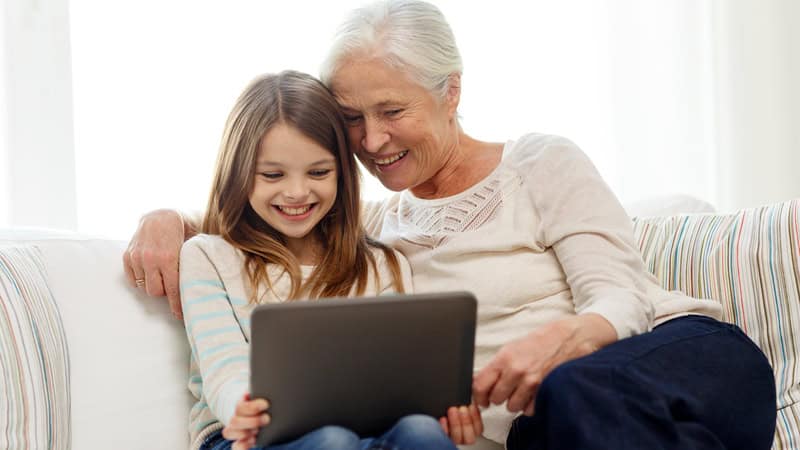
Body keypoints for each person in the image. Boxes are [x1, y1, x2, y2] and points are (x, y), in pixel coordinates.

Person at [124, 2, 777, 449]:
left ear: (451, 93)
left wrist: (567, 338)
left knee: (577, 388)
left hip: (683, 368)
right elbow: (274, 215)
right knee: (553, 419)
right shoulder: (377, 232)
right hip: (557, 429)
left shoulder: (537, 162)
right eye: (351, 117)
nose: (372, 139)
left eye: (391, 109)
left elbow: (622, 294)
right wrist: (168, 220)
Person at [174, 70, 482, 450]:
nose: (297, 192)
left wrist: (442, 409)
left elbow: (395, 375)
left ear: (342, 173)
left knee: (420, 432)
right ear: (239, 174)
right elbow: (223, 366)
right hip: (241, 436)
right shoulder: (208, 257)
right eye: (272, 174)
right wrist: (243, 406)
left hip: (363, 432)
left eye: (319, 172)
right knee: (333, 443)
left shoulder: (382, 265)